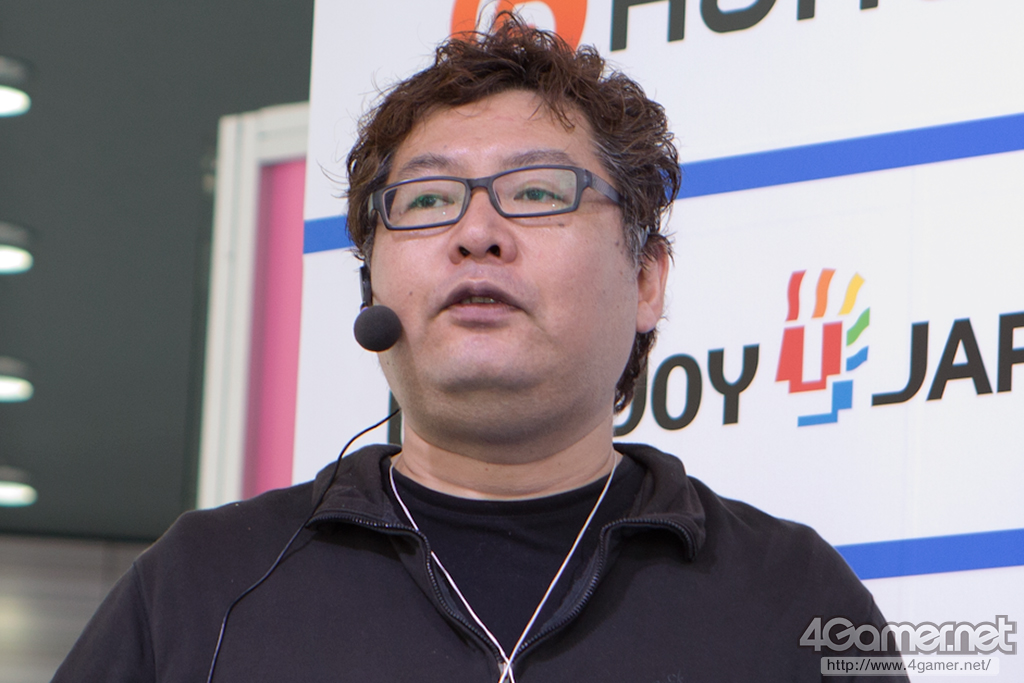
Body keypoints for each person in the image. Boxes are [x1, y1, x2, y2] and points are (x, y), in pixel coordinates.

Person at [54, 14, 905, 683]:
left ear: (647, 279)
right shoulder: (202, 587)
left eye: (536, 191)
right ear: (371, 288)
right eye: (427, 200)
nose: (477, 232)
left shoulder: (789, 597)